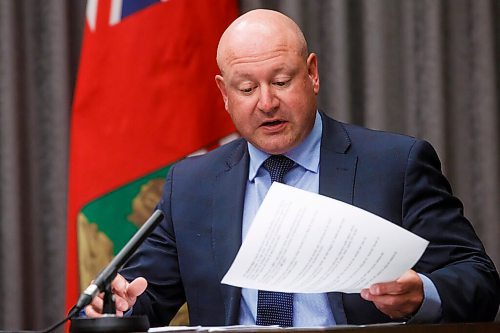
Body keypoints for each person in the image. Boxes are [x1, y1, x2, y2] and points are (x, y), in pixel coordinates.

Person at [85, 9, 500, 326]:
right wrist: (118, 304)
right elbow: (143, 302)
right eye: (246, 88)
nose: (266, 102)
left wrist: (421, 294)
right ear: (223, 94)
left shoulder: (394, 165)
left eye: (281, 81)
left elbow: (479, 280)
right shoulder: (192, 184)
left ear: (312, 74)